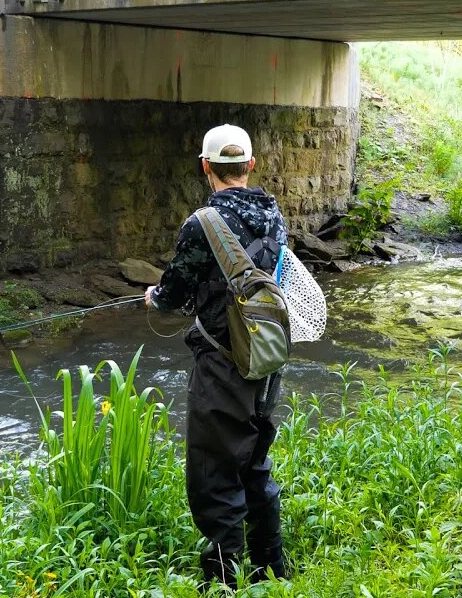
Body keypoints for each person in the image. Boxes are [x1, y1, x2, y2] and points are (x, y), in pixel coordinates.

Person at [144, 124, 289, 586]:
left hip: (222, 361)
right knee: (254, 459)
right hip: (267, 358)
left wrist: (155, 298)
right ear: (250, 165)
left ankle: (222, 581)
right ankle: (271, 570)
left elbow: (174, 292)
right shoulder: (274, 214)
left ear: (206, 167)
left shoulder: (202, 224)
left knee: (213, 469)